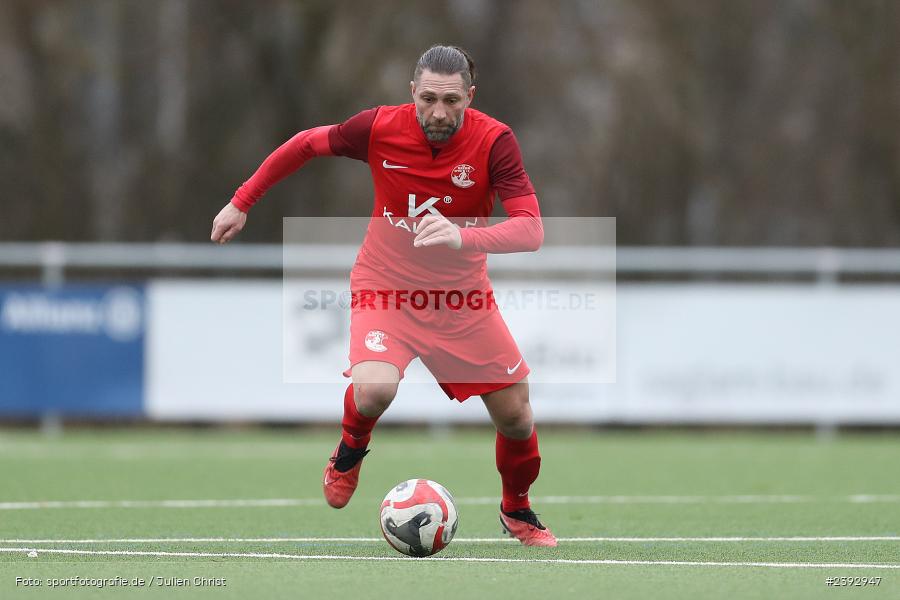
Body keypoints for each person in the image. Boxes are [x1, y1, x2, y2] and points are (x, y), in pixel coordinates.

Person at [210, 45, 556, 547]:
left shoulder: (495, 141)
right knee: (374, 389)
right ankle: (351, 448)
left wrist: (464, 236)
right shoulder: (377, 127)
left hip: (461, 301)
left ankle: (516, 508)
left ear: (470, 97)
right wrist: (242, 201)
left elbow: (531, 230)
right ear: (413, 92)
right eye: (429, 98)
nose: (439, 112)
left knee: (517, 417)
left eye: (452, 101)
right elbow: (306, 144)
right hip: (386, 288)